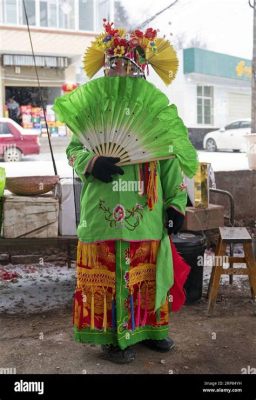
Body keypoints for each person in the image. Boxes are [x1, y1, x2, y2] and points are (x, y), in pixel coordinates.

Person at [55, 21, 198, 364]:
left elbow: (169, 161)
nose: (119, 69)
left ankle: (149, 331)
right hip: (102, 209)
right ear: (105, 66)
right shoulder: (91, 109)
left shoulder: (152, 109)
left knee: (146, 273)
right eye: (113, 63)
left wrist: (176, 203)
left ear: (141, 68)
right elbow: (73, 151)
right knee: (107, 276)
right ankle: (113, 339)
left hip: (145, 211)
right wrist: (91, 162)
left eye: (127, 64)